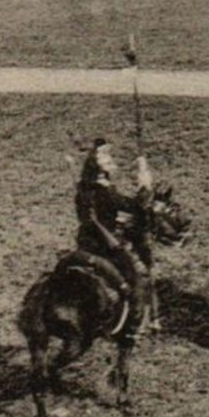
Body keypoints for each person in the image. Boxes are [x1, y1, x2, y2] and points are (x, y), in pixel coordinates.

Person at [75, 138, 157, 333]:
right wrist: (144, 183)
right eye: (109, 162)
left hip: (86, 241)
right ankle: (134, 327)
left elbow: (92, 217)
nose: (113, 165)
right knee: (138, 276)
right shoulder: (105, 191)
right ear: (101, 170)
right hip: (106, 243)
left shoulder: (85, 190)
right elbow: (135, 206)